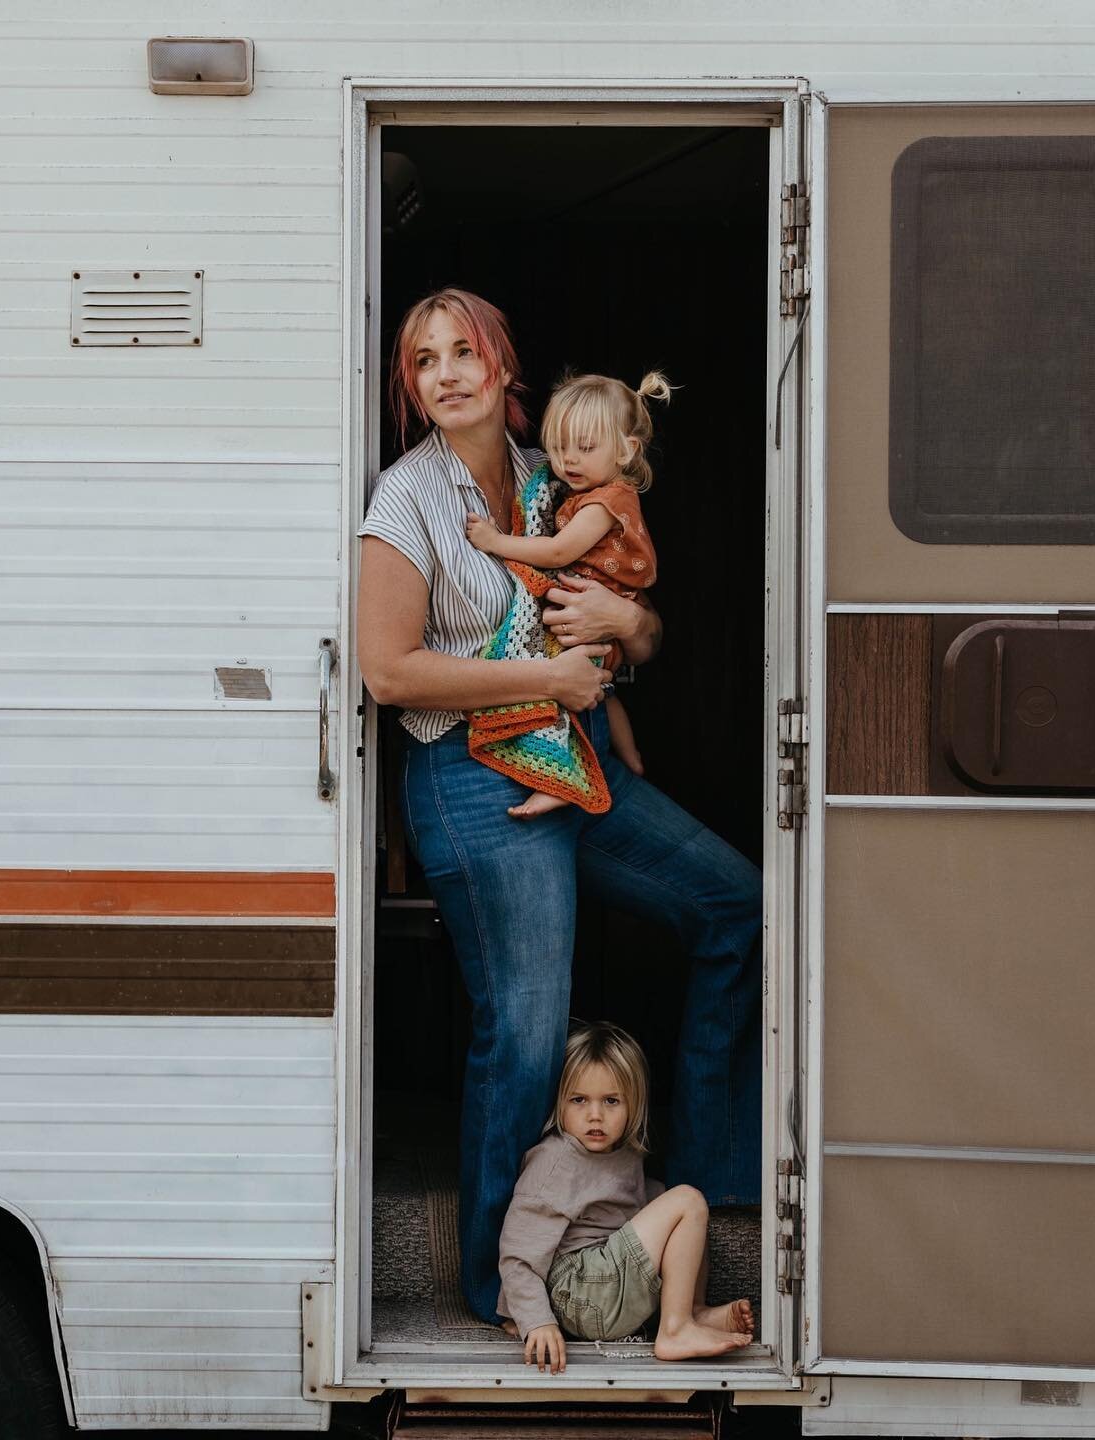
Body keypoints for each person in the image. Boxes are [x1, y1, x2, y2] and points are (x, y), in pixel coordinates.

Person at [355, 287, 761, 1325]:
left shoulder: (555, 475)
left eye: (463, 353)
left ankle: (707, 1188)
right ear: (411, 387)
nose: (445, 374)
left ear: (502, 367)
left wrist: (632, 621)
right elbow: (390, 674)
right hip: (468, 778)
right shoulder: (407, 499)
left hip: (572, 757)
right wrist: (551, 686)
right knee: (529, 1026)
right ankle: (501, 1281)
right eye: (423, 361)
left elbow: (642, 637)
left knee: (736, 906)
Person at [464, 368, 669, 818]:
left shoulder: (605, 501)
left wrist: (497, 543)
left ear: (626, 450)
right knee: (603, 690)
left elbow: (558, 551)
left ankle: (562, 778)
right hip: (600, 626)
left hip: (593, 619)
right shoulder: (597, 491)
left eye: (585, 447)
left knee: (556, 686)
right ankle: (630, 761)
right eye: (558, 448)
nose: (567, 460)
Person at [498, 1023, 755, 1372]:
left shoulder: (625, 1154)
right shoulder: (555, 1161)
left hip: (607, 1285)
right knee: (688, 1201)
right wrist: (535, 1321)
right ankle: (675, 1328)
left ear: (634, 1104)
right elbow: (518, 1254)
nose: (595, 1115)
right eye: (579, 1100)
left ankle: (692, 1312)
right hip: (582, 1287)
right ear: (559, 1102)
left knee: (674, 1204)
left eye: (611, 1101)